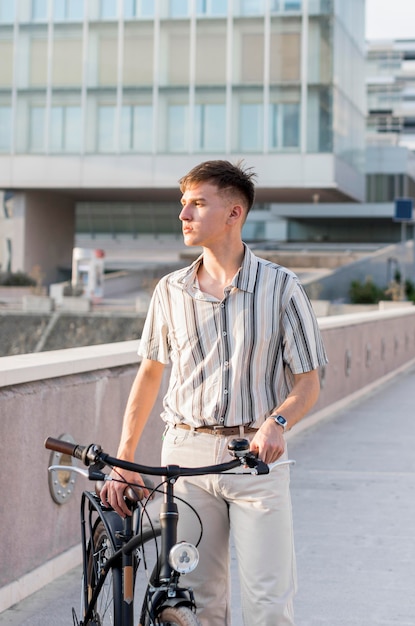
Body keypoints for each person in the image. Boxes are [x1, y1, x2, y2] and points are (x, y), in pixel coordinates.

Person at [101, 160, 328, 626]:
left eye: (198, 203)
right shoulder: (169, 291)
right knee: (197, 605)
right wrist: (124, 459)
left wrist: (277, 422)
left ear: (234, 213)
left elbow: (308, 383)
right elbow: (148, 378)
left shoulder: (283, 288)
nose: (184, 215)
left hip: (255, 461)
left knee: (268, 603)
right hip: (184, 457)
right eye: (183, 204)